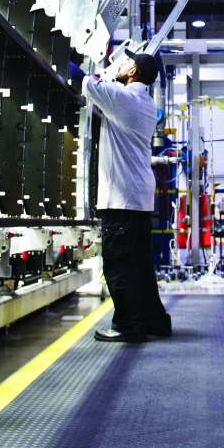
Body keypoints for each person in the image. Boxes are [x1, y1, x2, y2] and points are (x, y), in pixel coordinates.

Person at [82, 52, 172, 343]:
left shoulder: (123, 98)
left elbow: (83, 79)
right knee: (140, 263)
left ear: (133, 71)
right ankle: (154, 320)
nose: (121, 64)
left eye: (126, 62)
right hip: (139, 197)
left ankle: (128, 324)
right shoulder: (146, 103)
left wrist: (73, 53)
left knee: (119, 262)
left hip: (120, 197)